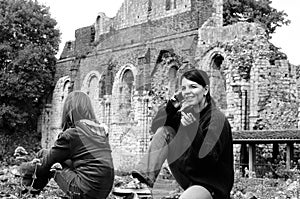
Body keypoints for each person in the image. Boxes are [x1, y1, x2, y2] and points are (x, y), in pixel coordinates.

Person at [130, 68, 234, 199]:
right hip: (189, 178)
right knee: (164, 131)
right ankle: (143, 183)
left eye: (193, 87)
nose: (188, 92)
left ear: (205, 90)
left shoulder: (217, 119)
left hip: (210, 185)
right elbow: (156, 127)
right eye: (184, 88)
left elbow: (209, 160)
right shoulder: (188, 114)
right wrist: (171, 106)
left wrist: (193, 130)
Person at [20, 91, 114, 199]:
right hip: (103, 191)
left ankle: (27, 195)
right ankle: (30, 194)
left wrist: (22, 167)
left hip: (84, 192)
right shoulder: (99, 132)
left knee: (48, 163)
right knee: (44, 153)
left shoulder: (72, 134)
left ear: (69, 111)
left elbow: (44, 165)